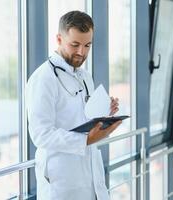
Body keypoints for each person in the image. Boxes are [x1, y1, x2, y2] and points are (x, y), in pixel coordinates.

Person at [26, 11, 121, 200]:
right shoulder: (43, 78)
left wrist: (105, 110)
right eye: (75, 45)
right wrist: (85, 140)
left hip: (89, 173)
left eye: (87, 45)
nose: (81, 52)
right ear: (59, 39)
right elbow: (40, 134)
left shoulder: (84, 76)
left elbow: (82, 115)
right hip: (61, 179)